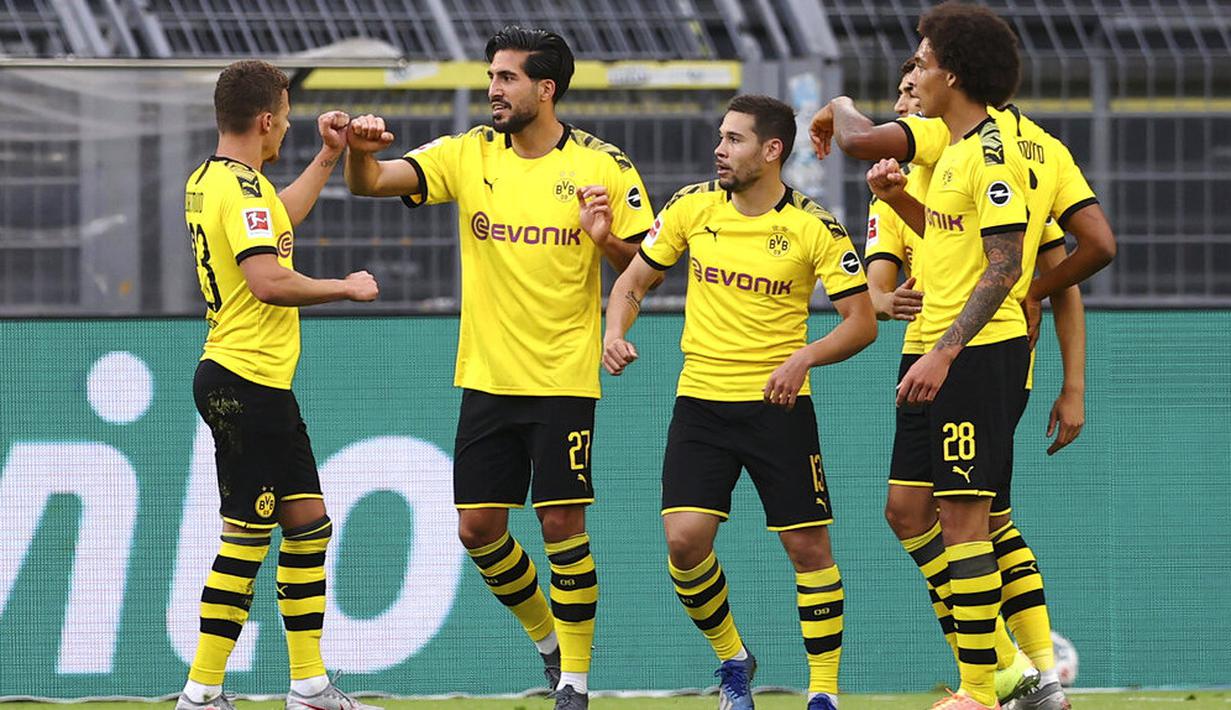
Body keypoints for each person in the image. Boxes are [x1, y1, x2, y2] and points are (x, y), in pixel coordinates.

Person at [344, 26, 653, 710]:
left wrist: (604, 240)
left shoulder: (605, 167)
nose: (492, 89)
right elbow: (374, 183)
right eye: (491, 76)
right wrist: (358, 155)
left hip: (563, 377)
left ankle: (574, 679)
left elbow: (643, 269)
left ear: (545, 88)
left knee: (560, 527)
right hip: (485, 376)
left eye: (507, 77)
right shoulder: (468, 153)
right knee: (477, 530)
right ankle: (547, 643)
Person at [603, 95, 877, 710]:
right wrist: (615, 332)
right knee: (683, 542)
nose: (720, 150)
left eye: (735, 139)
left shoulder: (814, 225)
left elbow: (861, 323)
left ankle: (824, 693)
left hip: (779, 409)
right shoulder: (691, 207)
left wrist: (803, 356)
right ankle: (733, 658)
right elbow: (632, 282)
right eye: (720, 138)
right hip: (700, 404)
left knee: (809, 550)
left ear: (772, 150)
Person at [862, 58, 1100, 709]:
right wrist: (884, 301)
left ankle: (1014, 679)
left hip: (978, 358)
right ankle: (1007, 666)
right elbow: (886, 278)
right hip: (921, 357)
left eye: (918, 86)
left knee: (980, 517)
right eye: (900, 93)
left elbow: (1058, 275)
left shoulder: (997, 160)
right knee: (908, 513)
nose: (908, 100)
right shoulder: (901, 184)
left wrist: (1072, 383)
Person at [177, 60, 380, 710]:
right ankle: (202, 694)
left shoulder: (214, 181)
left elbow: (276, 216)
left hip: (256, 382)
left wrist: (326, 157)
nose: (288, 126)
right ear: (266, 120)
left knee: (308, 524)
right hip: (245, 382)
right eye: (287, 117)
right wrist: (342, 287)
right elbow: (268, 280)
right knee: (245, 537)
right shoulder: (242, 192)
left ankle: (310, 686)